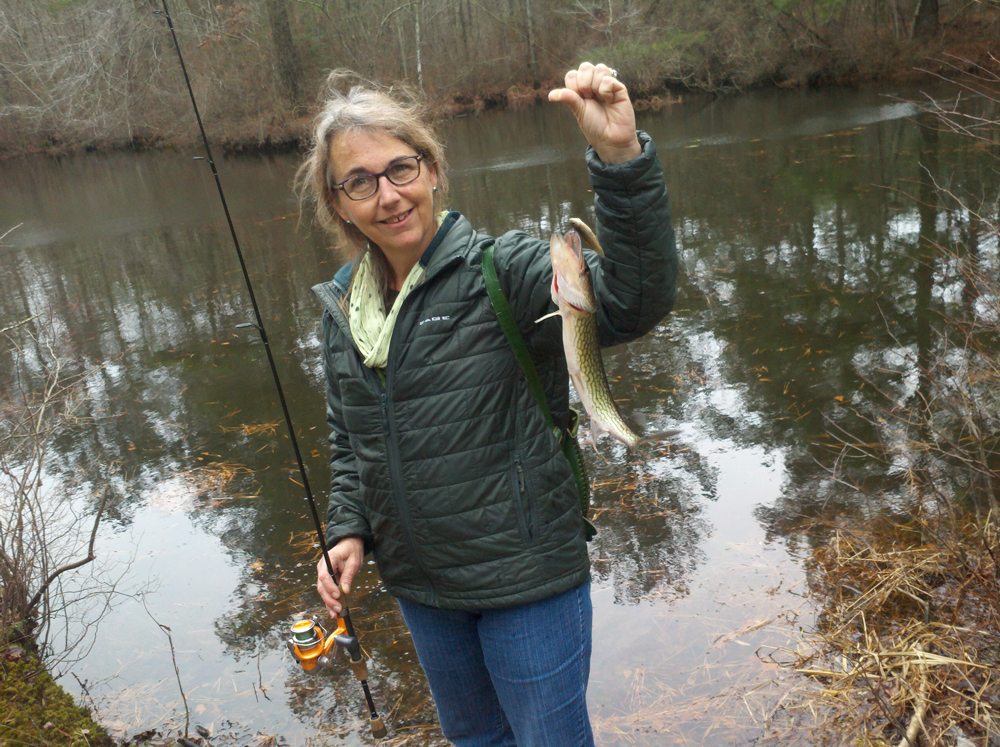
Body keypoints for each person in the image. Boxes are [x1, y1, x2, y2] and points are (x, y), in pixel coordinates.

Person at [299, 63, 678, 747]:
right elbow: (351, 438)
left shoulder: (506, 270)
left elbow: (635, 300)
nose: (389, 195)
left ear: (432, 169)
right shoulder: (344, 308)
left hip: (526, 582)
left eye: (401, 168)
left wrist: (621, 159)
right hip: (423, 588)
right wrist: (349, 529)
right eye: (361, 181)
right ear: (339, 203)